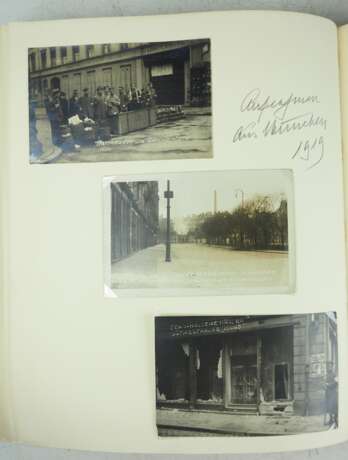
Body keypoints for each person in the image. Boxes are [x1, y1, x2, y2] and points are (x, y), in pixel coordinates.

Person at [324, 363, 338, 428]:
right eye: (328, 366)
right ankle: (330, 420)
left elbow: (336, 383)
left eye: (330, 366)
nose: (329, 367)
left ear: (332, 367)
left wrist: (329, 385)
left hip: (333, 393)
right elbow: (325, 382)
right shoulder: (327, 374)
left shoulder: (334, 374)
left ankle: (335, 420)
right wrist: (324, 386)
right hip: (328, 393)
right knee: (328, 407)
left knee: (333, 407)